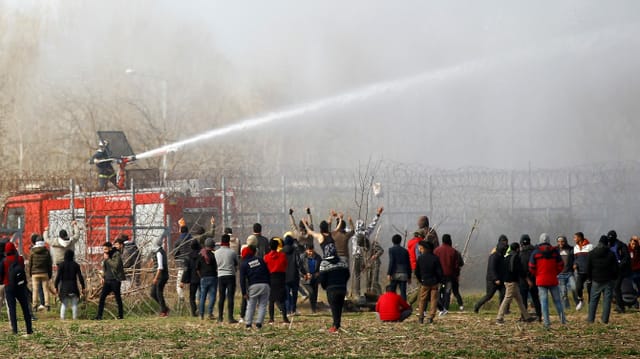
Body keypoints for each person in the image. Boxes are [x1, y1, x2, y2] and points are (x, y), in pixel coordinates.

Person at [529, 233, 565, 329]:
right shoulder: (554, 252)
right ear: (549, 241)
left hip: (541, 280)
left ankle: (547, 323)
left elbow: (531, 267)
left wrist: (537, 274)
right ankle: (563, 320)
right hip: (553, 279)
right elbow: (561, 264)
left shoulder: (535, 252)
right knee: (557, 301)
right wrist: (555, 273)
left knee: (544, 302)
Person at [496, 242, 536, 324]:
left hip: (507, 281)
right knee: (507, 299)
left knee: (519, 300)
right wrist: (527, 280)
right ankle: (499, 317)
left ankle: (527, 317)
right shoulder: (516, 257)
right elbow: (520, 270)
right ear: (517, 249)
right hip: (512, 282)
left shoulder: (506, 257)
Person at [0, 242, 33, 334]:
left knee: (12, 309)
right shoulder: (20, 259)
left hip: (9, 287)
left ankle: (15, 330)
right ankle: (29, 329)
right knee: (25, 308)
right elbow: (22, 269)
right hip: (20, 286)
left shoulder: (4, 261)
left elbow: (1, 275)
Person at [351, 207, 384, 296]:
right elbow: (373, 224)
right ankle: (368, 291)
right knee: (367, 275)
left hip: (358, 256)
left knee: (358, 276)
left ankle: (358, 293)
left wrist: (339, 220)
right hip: (364, 256)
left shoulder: (354, 233)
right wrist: (378, 214)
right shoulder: (366, 233)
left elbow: (344, 229)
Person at [587, 235, 619, 324]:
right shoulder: (611, 253)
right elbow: (615, 268)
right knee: (607, 301)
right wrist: (614, 277)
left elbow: (588, 267)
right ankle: (604, 320)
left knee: (593, 300)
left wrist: (589, 278)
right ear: (607, 243)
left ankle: (590, 319)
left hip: (596, 280)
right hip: (608, 280)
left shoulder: (592, 253)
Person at [319, 244, 350, 333]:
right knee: (339, 307)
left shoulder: (324, 263)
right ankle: (337, 324)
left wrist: (325, 287)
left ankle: (335, 325)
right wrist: (343, 283)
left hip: (331, 289)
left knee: (334, 307)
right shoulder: (343, 261)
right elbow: (347, 275)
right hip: (342, 288)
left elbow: (322, 279)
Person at [240, 245, 271, 329]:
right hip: (265, 284)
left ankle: (248, 324)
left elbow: (242, 280)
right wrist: (269, 284)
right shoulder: (260, 260)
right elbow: (268, 272)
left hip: (253, 285)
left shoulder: (244, 264)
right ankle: (259, 323)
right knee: (263, 305)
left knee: (251, 305)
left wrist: (244, 292)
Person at [474, 241, 507, 313]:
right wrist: (495, 279)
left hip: (500, 279)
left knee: (503, 294)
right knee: (489, 296)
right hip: (492, 280)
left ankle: (502, 310)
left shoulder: (501, 256)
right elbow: (491, 268)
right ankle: (476, 306)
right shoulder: (493, 256)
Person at [94, 242, 125, 320]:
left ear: (110, 248)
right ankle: (99, 316)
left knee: (117, 298)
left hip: (115, 280)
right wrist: (103, 277)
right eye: (103, 249)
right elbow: (105, 268)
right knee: (102, 297)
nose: (104, 251)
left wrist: (108, 259)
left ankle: (120, 315)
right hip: (107, 280)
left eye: (105, 249)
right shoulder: (105, 256)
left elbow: (115, 266)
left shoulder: (116, 254)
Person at [415, 240, 443, 324]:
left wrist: (421, 279)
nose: (420, 249)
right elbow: (439, 272)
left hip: (424, 281)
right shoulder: (435, 258)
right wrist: (439, 280)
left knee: (422, 299)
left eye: (420, 248)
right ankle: (431, 317)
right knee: (434, 299)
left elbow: (417, 272)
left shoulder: (420, 258)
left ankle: (421, 317)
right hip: (434, 282)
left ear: (424, 248)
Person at [54, 249, 86, 320]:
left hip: (64, 288)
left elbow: (58, 277)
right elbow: (80, 277)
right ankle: (75, 318)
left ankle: (62, 319)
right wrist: (83, 287)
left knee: (64, 304)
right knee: (74, 304)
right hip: (73, 287)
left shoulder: (61, 265)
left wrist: (55, 286)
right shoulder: (76, 265)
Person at [264, 238, 289, 324]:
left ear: (269, 247)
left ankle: (271, 318)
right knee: (282, 299)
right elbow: (285, 265)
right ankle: (285, 318)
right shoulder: (282, 256)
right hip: (281, 277)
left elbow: (265, 268)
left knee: (271, 299)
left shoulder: (266, 257)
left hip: (270, 277)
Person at [215, 234, 239, 323]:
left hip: (220, 276)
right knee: (230, 297)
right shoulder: (232, 252)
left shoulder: (216, 253)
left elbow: (215, 265)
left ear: (221, 242)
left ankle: (220, 317)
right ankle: (230, 317)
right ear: (228, 241)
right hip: (230, 276)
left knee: (221, 297)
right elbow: (236, 264)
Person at [433, 233, 460, 314]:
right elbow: (456, 265)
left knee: (439, 291)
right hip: (449, 275)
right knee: (447, 292)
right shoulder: (453, 251)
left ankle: (440, 307)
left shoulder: (436, 250)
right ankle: (446, 308)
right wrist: (457, 275)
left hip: (438, 276)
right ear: (450, 240)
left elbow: (434, 263)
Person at [607, 230, 631, 313]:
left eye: (611, 239)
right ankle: (619, 305)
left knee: (617, 288)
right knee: (614, 289)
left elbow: (626, 258)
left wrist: (620, 265)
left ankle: (621, 307)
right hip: (611, 270)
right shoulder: (608, 245)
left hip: (620, 270)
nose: (610, 240)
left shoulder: (621, 245)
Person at [519, 234, 541, 321]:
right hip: (534, 278)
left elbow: (521, 268)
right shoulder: (535, 252)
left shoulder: (520, 254)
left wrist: (526, 278)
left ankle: (524, 316)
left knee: (523, 299)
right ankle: (539, 316)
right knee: (535, 298)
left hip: (523, 279)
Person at [283, 233, 306, 316]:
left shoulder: (281, 252)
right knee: (295, 293)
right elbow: (299, 264)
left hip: (284, 276)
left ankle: (288, 310)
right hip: (294, 276)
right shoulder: (295, 251)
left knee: (287, 293)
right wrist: (304, 273)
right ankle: (293, 309)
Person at [28, 236, 53, 312]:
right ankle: (47, 305)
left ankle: (35, 305)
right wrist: (50, 274)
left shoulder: (32, 251)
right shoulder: (46, 251)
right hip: (44, 272)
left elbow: (30, 263)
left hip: (35, 273)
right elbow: (49, 264)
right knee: (45, 290)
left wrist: (30, 273)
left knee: (35, 290)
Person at [196, 237, 218, 320]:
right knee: (212, 296)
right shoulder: (213, 255)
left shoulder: (200, 255)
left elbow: (197, 268)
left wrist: (201, 276)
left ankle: (201, 314)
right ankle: (210, 313)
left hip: (203, 278)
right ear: (212, 246)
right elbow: (216, 267)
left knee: (202, 297)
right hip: (213, 277)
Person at [180, 240, 201, 317]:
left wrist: (182, 281)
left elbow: (186, 270)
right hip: (201, 278)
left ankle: (194, 312)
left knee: (192, 297)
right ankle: (201, 310)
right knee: (202, 295)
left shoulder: (188, 257)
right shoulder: (201, 255)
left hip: (192, 280)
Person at [387, 234, 411, 301]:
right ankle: (404, 307)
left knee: (392, 291)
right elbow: (408, 264)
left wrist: (389, 273)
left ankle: (392, 305)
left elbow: (392, 262)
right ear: (400, 241)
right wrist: (409, 276)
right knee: (403, 292)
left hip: (394, 273)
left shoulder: (391, 250)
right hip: (404, 273)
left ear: (392, 241)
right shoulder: (405, 251)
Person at [573, 232, 593, 311]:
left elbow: (593, 258)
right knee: (578, 287)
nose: (574, 239)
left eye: (575, 237)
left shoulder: (590, 246)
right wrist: (575, 264)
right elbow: (575, 259)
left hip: (589, 272)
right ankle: (581, 301)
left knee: (589, 289)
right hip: (580, 272)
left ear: (580, 238)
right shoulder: (575, 248)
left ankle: (591, 304)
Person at [174, 218, 192, 303]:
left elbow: (175, 254)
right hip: (192, 265)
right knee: (194, 284)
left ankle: (182, 299)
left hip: (182, 265)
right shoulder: (192, 240)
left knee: (179, 285)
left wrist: (177, 259)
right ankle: (195, 301)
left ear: (180, 231)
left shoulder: (178, 241)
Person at [151, 236, 170, 317]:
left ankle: (164, 311)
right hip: (160, 275)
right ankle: (165, 308)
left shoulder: (159, 252)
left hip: (161, 276)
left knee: (159, 293)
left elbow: (160, 267)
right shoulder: (158, 251)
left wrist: (156, 278)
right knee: (152, 293)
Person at [556, 235, 577, 309]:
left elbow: (575, 258)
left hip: (569, 273)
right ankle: (567, 307)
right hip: (560, 274)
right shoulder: (556, 250)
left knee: (574, 288)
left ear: (565, 242)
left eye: (562, 241)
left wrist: (575, 264)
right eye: (559, 242)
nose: (560, 243)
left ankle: (577, 302)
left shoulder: (571, 249)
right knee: (563, 293)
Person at [301, 243, 322, 313]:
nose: (311, 252)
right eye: (309, 251)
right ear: (306, 250)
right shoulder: (302, 257)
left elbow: (321, 268)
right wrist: (305, 274)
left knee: (315, 294)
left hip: (315, 278)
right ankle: (313, 308)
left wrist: (317, 273)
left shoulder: (318, 257)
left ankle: (314, 309)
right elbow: (299, 268)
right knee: (311, 292)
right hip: (305, 279)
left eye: (312, 250)